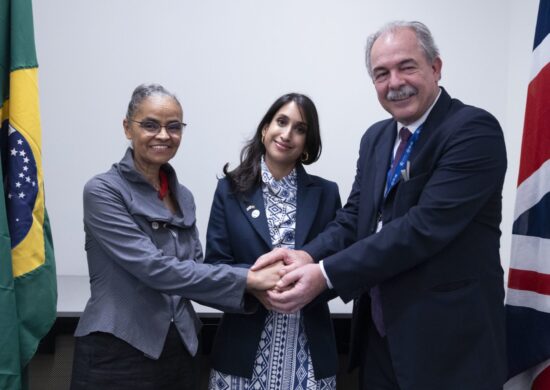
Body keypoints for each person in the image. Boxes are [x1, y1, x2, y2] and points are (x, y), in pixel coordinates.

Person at [253, 21, 507, 390]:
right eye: (381, 74)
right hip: (379, 341)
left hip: (451, 348)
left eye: (407, 66)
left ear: (435, 67)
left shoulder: (472, 130)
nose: (395, 83)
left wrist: (325, 274)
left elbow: (422, 228)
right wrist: (307, 256)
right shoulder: (376, 138)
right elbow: (355, 216)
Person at [70, 84, 282, 390]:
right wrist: (248, 279)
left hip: (180, 350)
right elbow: (153, 268)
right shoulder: (103, 191)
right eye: (150, 125)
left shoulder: (183, 197)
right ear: (127, 128)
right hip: (116, 352)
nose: (163, 135)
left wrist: (262, 290)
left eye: (173, 127)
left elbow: (195, 271)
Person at [205, 93, 341, 389]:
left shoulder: (327, 194)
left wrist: (304, 290)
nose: (288, 134)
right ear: (265, 129)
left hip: (308, 355)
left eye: (300, 129)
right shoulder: (229, 190)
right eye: (281, 122)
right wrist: (254, 284)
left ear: (307, 143)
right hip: (240, 355)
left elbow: (339, 266)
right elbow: (215, 266)